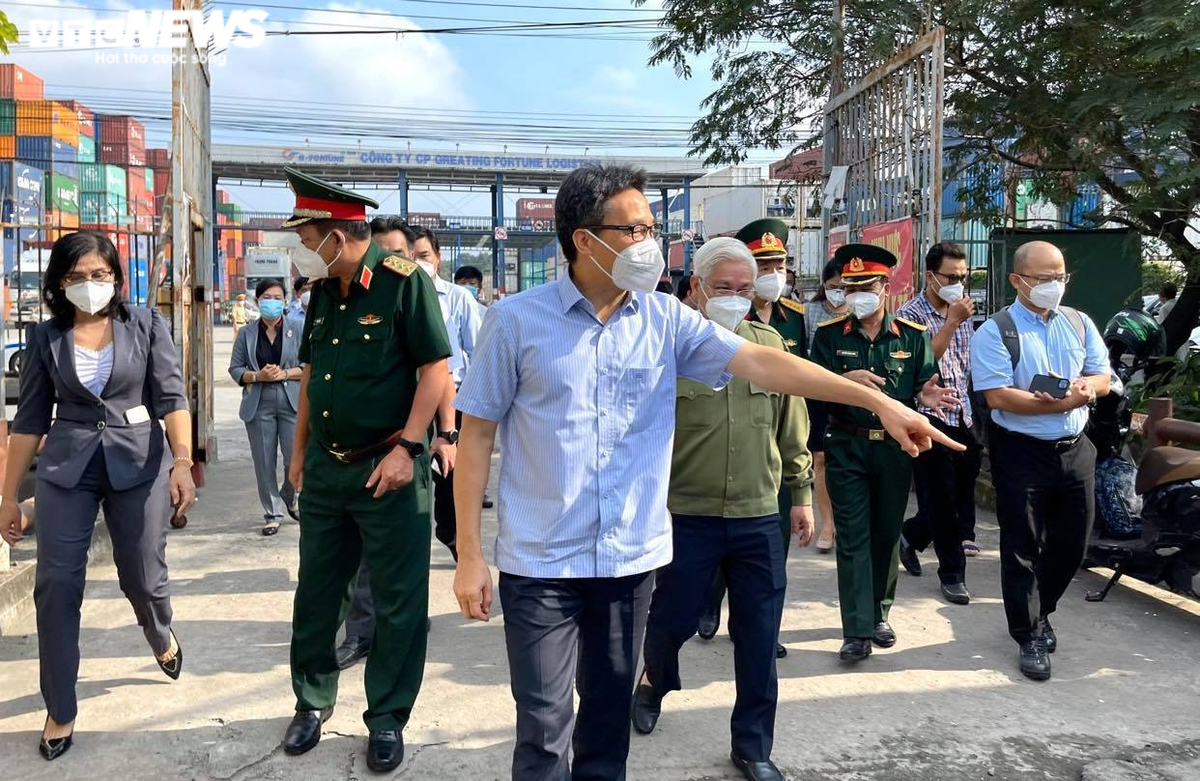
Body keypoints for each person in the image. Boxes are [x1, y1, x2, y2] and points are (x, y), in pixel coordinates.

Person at [451, 164, 959, 781]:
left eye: (650, 228)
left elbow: (764, 364)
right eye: (636, 230)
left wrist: (879, 402)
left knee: (606, 724)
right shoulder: (515, 321)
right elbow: (477, 437)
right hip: (542, 561)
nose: (649, 243)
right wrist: (470, 555)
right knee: (543, 725)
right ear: (585, 239)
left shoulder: (665, 319)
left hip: (627, 560)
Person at [0, 231, 196, 761]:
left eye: (99, 274)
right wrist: (9, 496)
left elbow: (172, 398)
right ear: (59, 283)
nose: (90, 284)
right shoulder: (46, 337)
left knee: (143, 575)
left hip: (139, 462)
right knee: (56, 584)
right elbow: (29, 421)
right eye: (77, 276)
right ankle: (60, 708)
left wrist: (182, 461)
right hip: (68, 468)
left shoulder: (146, 324)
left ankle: (159, 633)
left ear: (116, 277)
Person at [279, 169, 451, 772]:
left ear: (335, 236)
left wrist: (410, 448)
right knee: (318, 592)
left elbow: (435, 371)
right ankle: (311, 700)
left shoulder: (405, 283)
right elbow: (310, 375)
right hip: (328, 469)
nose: (301, 251)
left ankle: (387, 718)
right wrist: (298, 453)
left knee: (400, 601)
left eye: (306, 238)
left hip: (389, 469)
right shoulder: (325, 290)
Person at [631, 237, 813, 781]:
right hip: (688, 514)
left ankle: (753, 746)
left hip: (758, 514)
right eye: (723, 288)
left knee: (759, 635)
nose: (736, 297)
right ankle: (654, 682)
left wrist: (802, 495)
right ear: (697, 288)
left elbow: (791, 426)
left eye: (744, 289)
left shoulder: (769, 345)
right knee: (673, 619)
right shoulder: (668, 348)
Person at [335, 221, 476, 670]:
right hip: (369, 437)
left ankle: (412, 617)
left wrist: (448, 434)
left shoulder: (438, 298)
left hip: (421, 431)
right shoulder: (351, 298)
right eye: (383, 252)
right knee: (363, 537)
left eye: (404, 253)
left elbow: (446, 370)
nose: (392, 262)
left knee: (419, 531)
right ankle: (361, 630)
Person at [810, 243, 958, 663]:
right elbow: (813, 388)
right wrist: (845, 381)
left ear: (886, 287)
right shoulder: (828, 337)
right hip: (847, 446)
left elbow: (924, 384)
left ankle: (879, 614)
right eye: (850, 287)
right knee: (853, 536)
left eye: (867, 286)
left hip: (894, 450)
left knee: (886, 533)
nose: (858, 295)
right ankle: (856, 631)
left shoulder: (912, 336)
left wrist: (927, 395)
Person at [970, 239, 1109, 681]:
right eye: (1044, 278)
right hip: (1021, 451)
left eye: (1061, 277)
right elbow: (998, 396)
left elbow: (1102, 377)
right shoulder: (995, 331)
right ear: (1017, 280)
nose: (1055, 285)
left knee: (1073, 544)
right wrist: (1066, 401)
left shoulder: (1079, 323)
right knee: (1022, 547)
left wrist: (1086, 390)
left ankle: (1042, 609)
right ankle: (1027, 635)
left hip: (1075, 448)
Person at [697, 217, 809, 658]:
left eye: (776, 266)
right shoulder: (683, 337)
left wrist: (801, 490)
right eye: (762, 266)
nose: (769, 276)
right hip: (700, 488)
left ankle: (763, 632)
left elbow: (795, 401)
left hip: (766, 472)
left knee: (766, 566)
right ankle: (708, 603)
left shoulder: (788, 324)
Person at [896, 242, 982, 604]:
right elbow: (919, 365)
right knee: (944, 501)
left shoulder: (962, 310)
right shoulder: (909, 314)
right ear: (930, 276)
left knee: (957, 492)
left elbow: (966, 365)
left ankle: (911, 536)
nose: (957, 284)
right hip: (926, 418)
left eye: (963, 277)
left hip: (962, 414)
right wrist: (950, 323)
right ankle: (952, 574)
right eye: (951, 277)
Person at [228, 278, 303, 536]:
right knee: (264, 460)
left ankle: (289, 493)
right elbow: (235, 368)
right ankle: (272, 513)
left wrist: (285, 373)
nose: (272, 302)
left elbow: (309, 365)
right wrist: (257, 375)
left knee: (294, 457)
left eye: (277, 298)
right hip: (258, 402)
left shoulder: (297, 328)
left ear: (285, 301)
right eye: (266, 298)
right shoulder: (246, 333)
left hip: (291, 401)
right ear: (258, 301)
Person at [803, 259, 847, 554]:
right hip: (817, 394)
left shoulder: (860, 310)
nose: (839, 293)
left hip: (850, 395)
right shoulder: (810, 312)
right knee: (819, 459)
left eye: (844, 287)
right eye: (833, 287)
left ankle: (847, 522)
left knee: (845, 460)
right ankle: (827, 525)